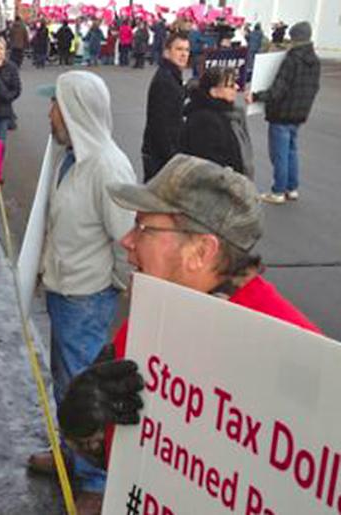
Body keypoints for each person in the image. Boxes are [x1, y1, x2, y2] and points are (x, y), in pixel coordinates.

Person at [58, 154, 321, 478]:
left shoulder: (300, 352)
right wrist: (81, 420)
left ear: (201, 252)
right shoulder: (151, 317)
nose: (126, 241)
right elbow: (127, 455)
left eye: (143, 227)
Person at [27, 70, 136, 515]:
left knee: (83, 386)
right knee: (64, 381)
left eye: (56, 105)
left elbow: (127, 238)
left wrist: (133, 295)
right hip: (63, 290)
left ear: (75, 111)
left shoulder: (107, 167)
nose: (50, 113)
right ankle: (71, 454)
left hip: (87, 298)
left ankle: (95, 476)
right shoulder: (69, 156)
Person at [246, 21, 320, 204]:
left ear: (295, 38)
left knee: (279, 153)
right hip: (299, 114)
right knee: (292, 151)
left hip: (282, 113)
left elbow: (278, 90)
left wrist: (255, 96)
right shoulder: (315, 61)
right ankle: (292, 188)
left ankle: (278, 191)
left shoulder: (291, 59)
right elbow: (314, 87)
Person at [182, 67, 254, 178]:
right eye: (230, 86)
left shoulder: (230, 113)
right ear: (214, 92)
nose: (237, 87)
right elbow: (210, 167)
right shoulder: (204, 121)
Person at [141, 31, 190, 182]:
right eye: (179, 49)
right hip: (161, 156)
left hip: (161, 153)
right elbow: (161, 125)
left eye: (187, 50)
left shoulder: (171, 74)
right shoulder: (165, 80)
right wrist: (173, 158)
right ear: (167, 52)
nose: (184, 54)